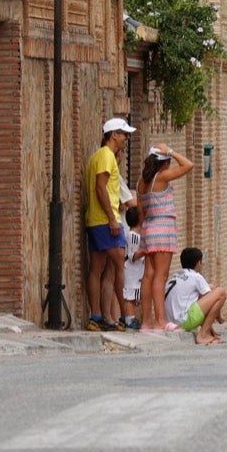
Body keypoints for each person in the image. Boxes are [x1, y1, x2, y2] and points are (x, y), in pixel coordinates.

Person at [83, 117, 134, 331]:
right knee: (119, 265)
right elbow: (101, 188)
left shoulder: (100, 156)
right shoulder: (106, 156)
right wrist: (113, 219)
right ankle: (126, 317)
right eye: (124, 134)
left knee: (96, 268)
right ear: (113, 135)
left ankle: (96, 316)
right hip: (106, 220)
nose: (126, 138)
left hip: (95, 220)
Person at [136, 143, 193, 332]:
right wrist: (171, 151)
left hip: (148, 228)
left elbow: (141, 212)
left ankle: (146, 322)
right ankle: (160, 321)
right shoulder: (161, 177)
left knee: (148, 275)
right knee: (161, 276)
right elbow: (188, 165)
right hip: (163, 228)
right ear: (163, 163)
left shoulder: (141, 183)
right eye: (168, 161)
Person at [163, 246, 227, 345]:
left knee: (209, 289)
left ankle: (207, 331)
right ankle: (203, 335)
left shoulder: (175, 275)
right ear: (199, 263)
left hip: (169, 321)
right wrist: (219, 316)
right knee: (220, 292)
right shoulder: (196, 276)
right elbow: (211, 300)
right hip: (183, 321)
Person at [121, 206, 145, 331]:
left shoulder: (135, 235)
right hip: (132, 272)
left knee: (136, 296)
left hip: (137, 272)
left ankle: (135, 319)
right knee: (130, 296)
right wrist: (146, 251)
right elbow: (132, 256)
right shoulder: (133, 236)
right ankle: (130, 320)